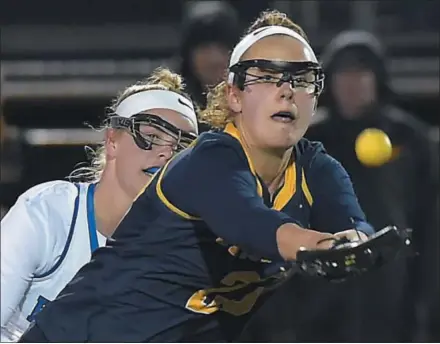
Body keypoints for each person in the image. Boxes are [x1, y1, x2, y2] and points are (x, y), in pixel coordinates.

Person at [19, 10, 375, 343]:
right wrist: (316, 246)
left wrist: (355, 245)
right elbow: (251, 223)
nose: (286, 90)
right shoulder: (209, 160)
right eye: (266, 77)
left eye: (302, 79)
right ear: (234, 95)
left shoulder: (317, 168)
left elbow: (354, 227)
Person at [1, 67, 198, 342]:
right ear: (112, 141)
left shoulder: (185, 249)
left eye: (182, 147)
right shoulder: (47, 214)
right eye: (152, 137)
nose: (166, 152)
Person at [305, 31, 439, 341]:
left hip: (394, 290)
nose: (352, 82)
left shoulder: (410, 138)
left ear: (377, 79)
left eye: (361, 72)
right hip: (323, 296)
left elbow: (428, 222)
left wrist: (425, 300)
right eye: (343, 72)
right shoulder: (309, 142)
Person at [179, 1, 240, 114]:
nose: (214, 59)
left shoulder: (252, 104)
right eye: (205, 49)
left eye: (222, 48)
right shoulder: (174, 106)